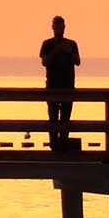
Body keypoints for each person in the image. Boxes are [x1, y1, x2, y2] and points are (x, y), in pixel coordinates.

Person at [40, 16, 81, 151]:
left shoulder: (71, 44)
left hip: (68, 86)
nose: (59, 30)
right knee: (52, 117)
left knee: (65, 117)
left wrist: (68, 52)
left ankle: (63, 143)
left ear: (64, 27)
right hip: (52, 86)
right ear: (52, 27)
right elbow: (45, 62)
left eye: (61, 27)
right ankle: (54, 144)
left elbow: (78, 62)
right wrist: (56, 51)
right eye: (57, 27)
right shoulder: (47, 44)